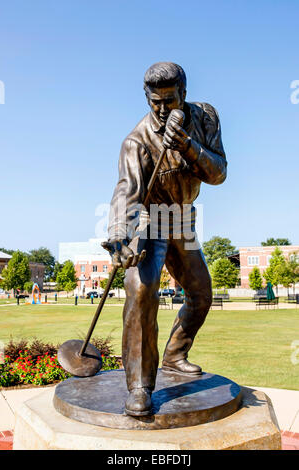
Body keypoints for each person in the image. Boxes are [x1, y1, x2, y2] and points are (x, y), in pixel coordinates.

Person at [103, 62, 227, 416]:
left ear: (183, 94)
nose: (160, 109)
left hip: (183, 218)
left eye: (169, 101)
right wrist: (118, 236)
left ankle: (174, 354)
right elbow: (126, 191)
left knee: (201, 294)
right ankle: (140, 386)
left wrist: (188, 147)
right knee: (141, 293)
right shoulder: (137, 141)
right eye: (154, 101)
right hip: (151, 222)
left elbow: (219, 173)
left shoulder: (205, 118)